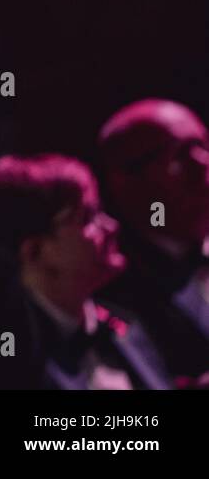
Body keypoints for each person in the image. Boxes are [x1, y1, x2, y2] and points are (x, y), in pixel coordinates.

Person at [0, 154, 171, 389]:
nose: (112, 226)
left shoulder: (124, 326)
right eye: (87, 217)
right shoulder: (3, 358)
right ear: (35, 250)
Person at [94, 98, 209, 386]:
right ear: (124, 179)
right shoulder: (106, 287)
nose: (203, 163)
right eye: (179, 154)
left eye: (203, 146)